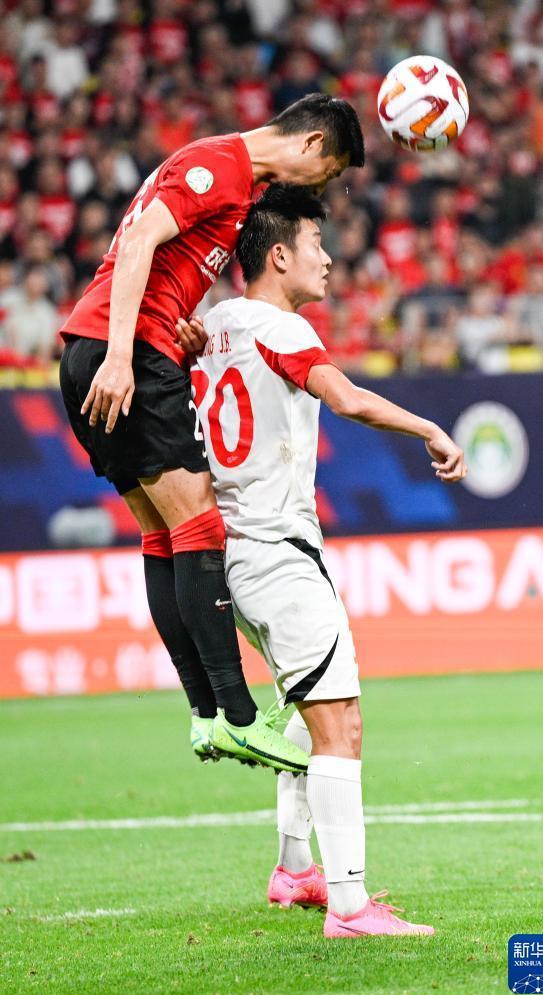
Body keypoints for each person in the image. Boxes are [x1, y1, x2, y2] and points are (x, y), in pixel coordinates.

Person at [178, 184, 466, 937]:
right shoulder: (281, 328)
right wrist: (430, 429)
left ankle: (294, 869)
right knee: (343, 723)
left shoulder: (211, 325)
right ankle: (350, 905)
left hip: (230, 552)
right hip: (278, 552)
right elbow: (346, 399)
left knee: (309, 711)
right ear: (278, 256)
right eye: (315, 244)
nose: (329, 259)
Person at [59, 94, 365, 774]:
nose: (324, 186)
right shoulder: (220, 165)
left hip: (99, 350)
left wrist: (167, 335)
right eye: (331, 171)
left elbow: (159, 259)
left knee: (163, 533)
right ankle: (239, 718)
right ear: (313, 144)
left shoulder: (232, 182)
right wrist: (122, 354)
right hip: (124, 353)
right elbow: (138, 241)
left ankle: (205, 715)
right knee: (199, 526)